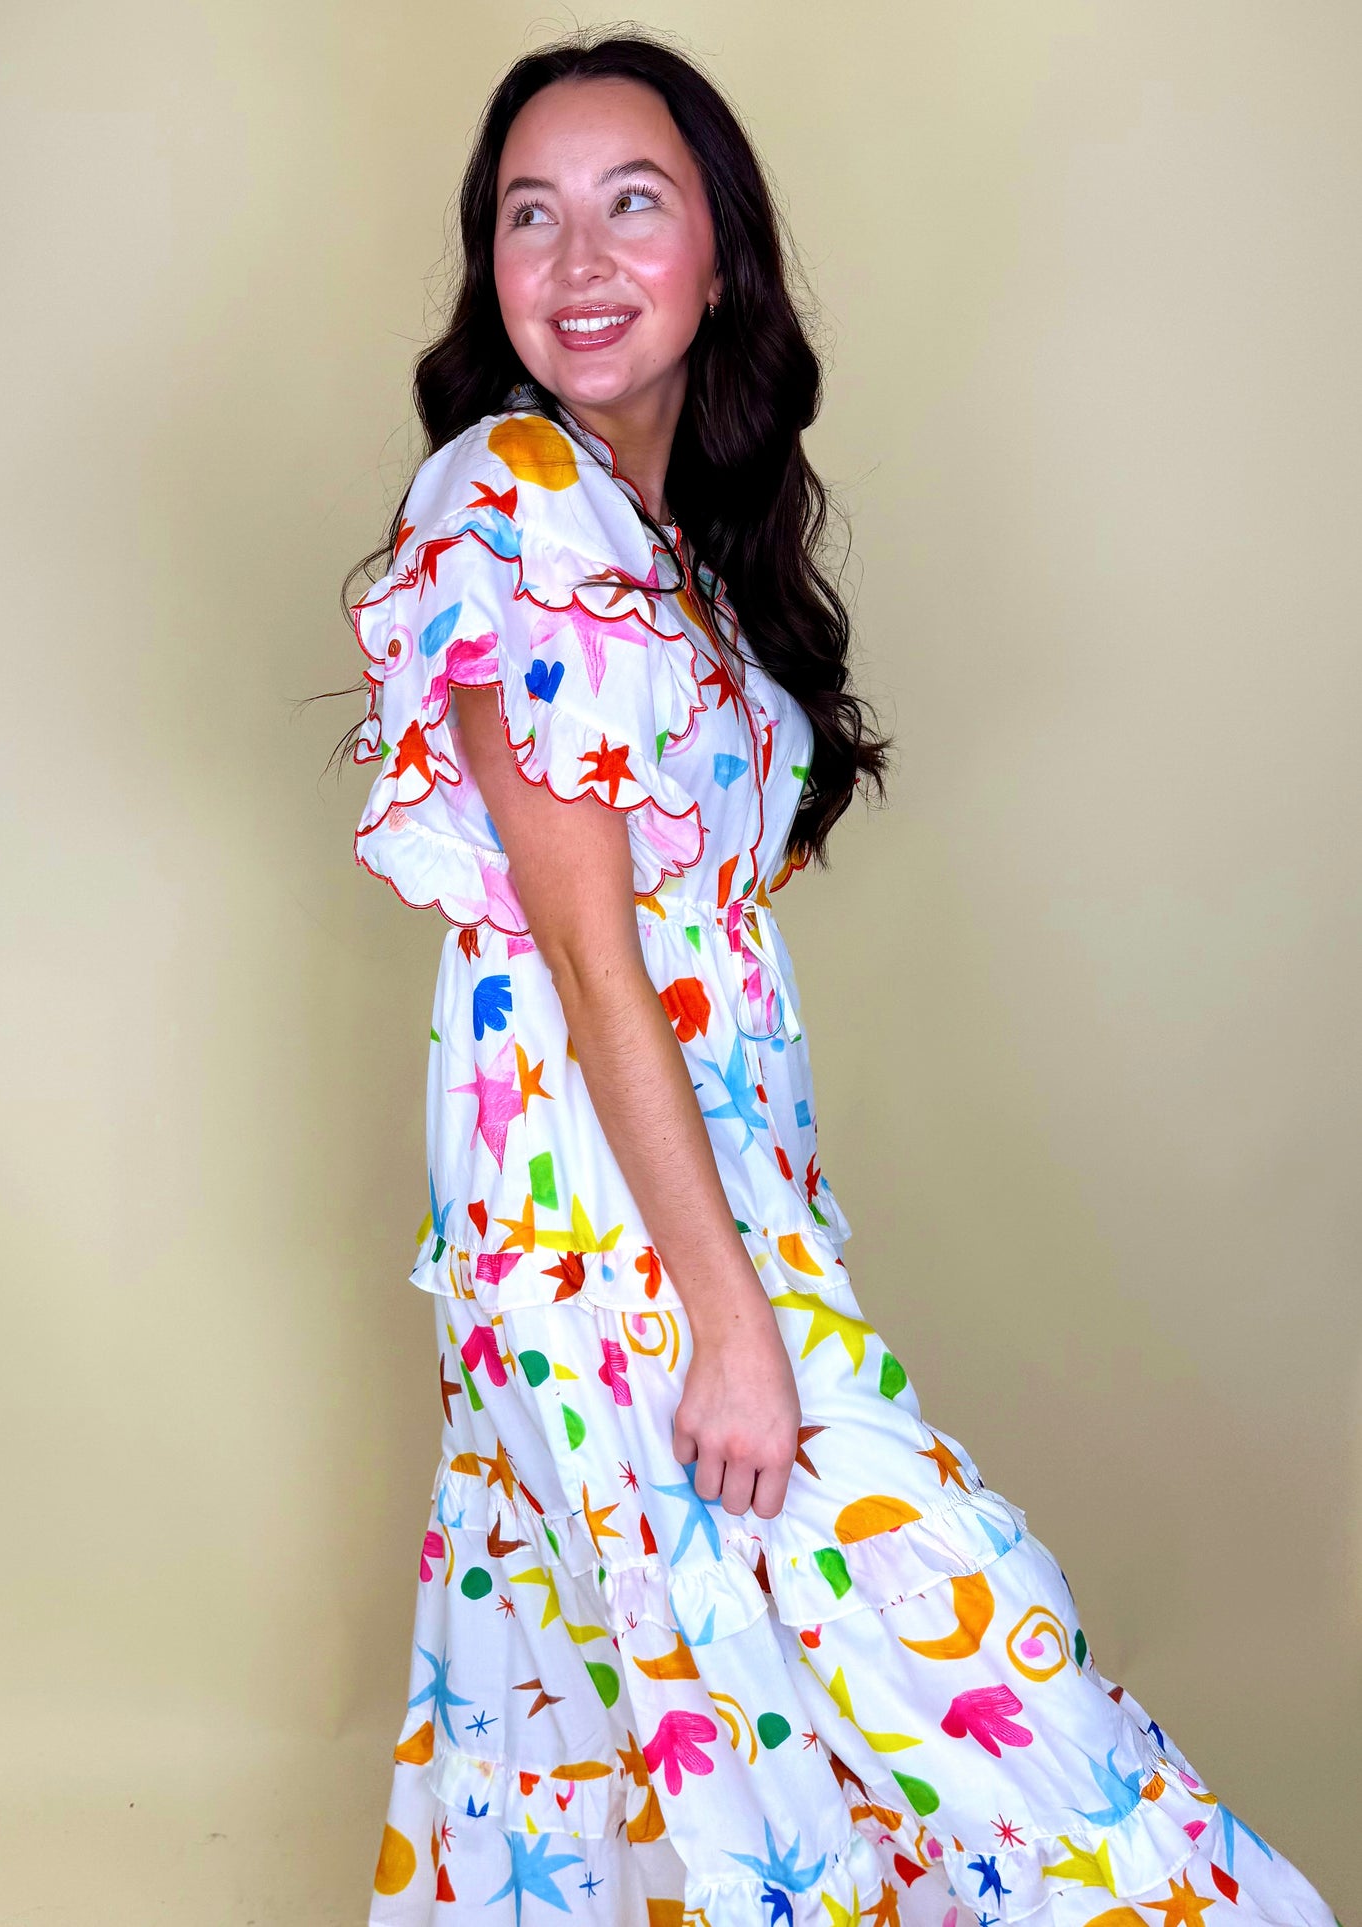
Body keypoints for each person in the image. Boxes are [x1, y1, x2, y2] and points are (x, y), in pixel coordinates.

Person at [342, 31, 1338, 1927]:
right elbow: (587, 954)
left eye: (631, 203)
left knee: (605, 1685)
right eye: (528, 217)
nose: (575, 261)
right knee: (924, 1638)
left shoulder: (666, 544)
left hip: (692, 1189)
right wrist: (730, 1314)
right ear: (487, 267)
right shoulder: (511, 501)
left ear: (721, 254)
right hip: (603, 1216)